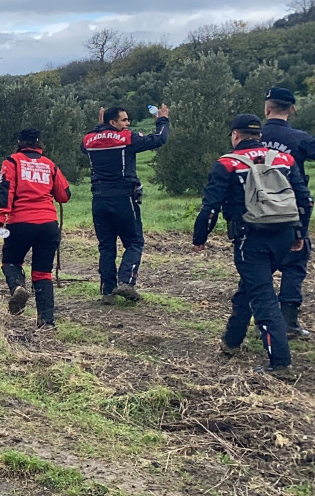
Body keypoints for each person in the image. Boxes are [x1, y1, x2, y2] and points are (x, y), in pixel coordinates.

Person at [193, 114, 308, 376]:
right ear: (259, 135)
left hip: (250, 239)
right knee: (250, 288)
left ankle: (280, 362)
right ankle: (231, 342)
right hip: (285, 234)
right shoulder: (285, 160)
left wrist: (200, 237)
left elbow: (211, 208)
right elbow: (303, 198)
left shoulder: (227, 164)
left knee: (262, 297)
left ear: (235, 135)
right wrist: (299, 233)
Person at [81, 104, 170, 304]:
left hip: (99, 199)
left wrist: (99, 126)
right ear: (113, 122)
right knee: (134, 242)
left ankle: (107, 291)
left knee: (106, 247)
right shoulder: (127, 137)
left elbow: (86, 144)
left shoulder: (88, 140)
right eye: (124, 120)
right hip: (124, 197)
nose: (127, 123)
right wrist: (162, 120)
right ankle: (126, 281)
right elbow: (160, 139)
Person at [0, 129, 72, 328]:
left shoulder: (12, 162)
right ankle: (46, 322)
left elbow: (6, 189)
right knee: (43, 273)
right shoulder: (50, 164)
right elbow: (64, 196)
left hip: (21, 223)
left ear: (19, 142)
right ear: (38, 143)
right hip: (48, 225)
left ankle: (18, 287)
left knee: (10, 262)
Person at [260, 87, 314, 339]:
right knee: (294, 263)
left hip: (256, 210)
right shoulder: (300, 138)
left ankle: (251, 318)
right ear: (291, 108)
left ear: (267, 108)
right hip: (290, 209)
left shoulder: (253, 135)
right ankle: (289, 322)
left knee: (257, 265)